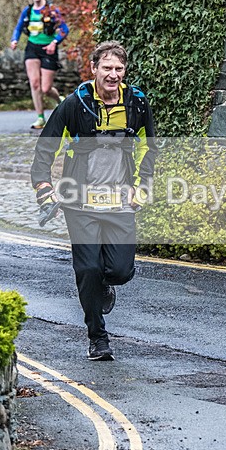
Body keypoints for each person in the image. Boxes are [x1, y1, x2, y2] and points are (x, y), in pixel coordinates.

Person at [30, 41, 155, 361]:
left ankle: (104, 285)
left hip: (120, 201)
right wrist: (44, 187)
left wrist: (141, 187)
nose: (113, 74)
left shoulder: (137, 103)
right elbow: (46, 147)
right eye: (107, 68)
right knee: (87, 268)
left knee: (120, 270)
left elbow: (148, 147)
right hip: (79, 202)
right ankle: (97, 337)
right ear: (94, 68)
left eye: (119, 69)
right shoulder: (75, 104)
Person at [10, 0, 69, 129]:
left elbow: (64, 29)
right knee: (34, 83)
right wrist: (14, 40)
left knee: (45, 88)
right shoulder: (28, 10)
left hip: (48, 49)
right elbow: (18, 27)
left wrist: (54, 42)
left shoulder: (51, 10)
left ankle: (59, 100)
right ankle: (40, 118)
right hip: (32, 48)